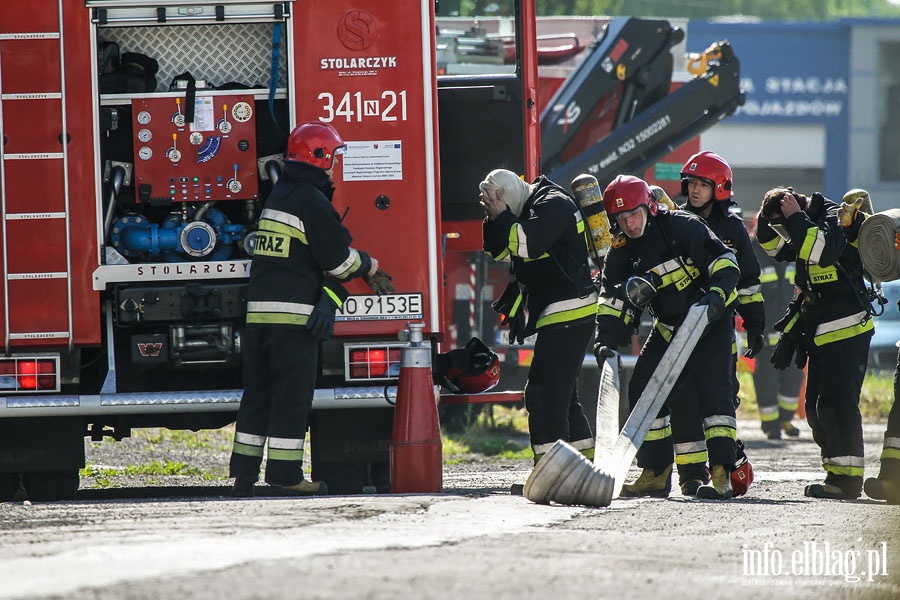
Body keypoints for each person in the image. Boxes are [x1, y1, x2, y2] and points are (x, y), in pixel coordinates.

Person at [229, 121, 380, 497]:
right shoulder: (311, 201)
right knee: (290, 399)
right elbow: (339, 264)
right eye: (333, 157)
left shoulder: (279, 196)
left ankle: (244, 475)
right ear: (320, 156)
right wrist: (370, 265)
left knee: (258, 397)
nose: (334, 166)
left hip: (260, 320)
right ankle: (285, 475)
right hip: (293, 321)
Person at [594, 174, 740, 500]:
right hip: (669, 327)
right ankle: (655, 473)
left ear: (649, 207)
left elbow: (726, 263)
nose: (629, 224)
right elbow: (612, 300)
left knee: (714, 393)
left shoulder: (682, 226)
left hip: (708, 321)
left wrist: (717, 296)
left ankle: (721, 474)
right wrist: (605, 339)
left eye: (633, 214)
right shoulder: (620, 252)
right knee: (642, 387)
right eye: (621, 218)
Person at [756, 187, 873, 499]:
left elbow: (822, 250)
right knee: (815, 409)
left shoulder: (835, 216)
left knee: (837, 406)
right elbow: (776, 251)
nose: (787, 232)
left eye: (786, 223)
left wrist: (795, 218)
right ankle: (835, 471)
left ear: (798, 208)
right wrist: (792, 334)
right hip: (820, 331)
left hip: (847, 329)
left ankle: (846, 482)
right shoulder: (799, 226)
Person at [480, 169, 598, 465]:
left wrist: (503, 217)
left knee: (543, 394)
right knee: (564, 396)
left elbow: (525, 245)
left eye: (497, 204)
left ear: (508, 198)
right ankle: (582, 465)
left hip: (570, 310)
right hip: (558, 311)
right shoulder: (530, 208)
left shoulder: (552, 204)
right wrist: (495, 218)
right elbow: (499, 251)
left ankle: (552, 470)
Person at [679, 151, 766, 445]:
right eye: (690, 183)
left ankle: (723, 463)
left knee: (721, 395)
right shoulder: (674, 222)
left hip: (719, 327)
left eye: (702, 184)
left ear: (719, 188)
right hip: (679, 323)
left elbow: (748, 281)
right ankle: (691, 473)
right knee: (684, 397)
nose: (694, 190)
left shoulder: (732, 229)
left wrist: (754, 324)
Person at [748, 219, 804, 439]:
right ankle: (771, 425)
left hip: (792, 331)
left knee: (793, 376)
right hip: (764, 331)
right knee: (767, 380)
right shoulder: (752, 255)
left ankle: (786, 419)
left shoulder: (792, 253)